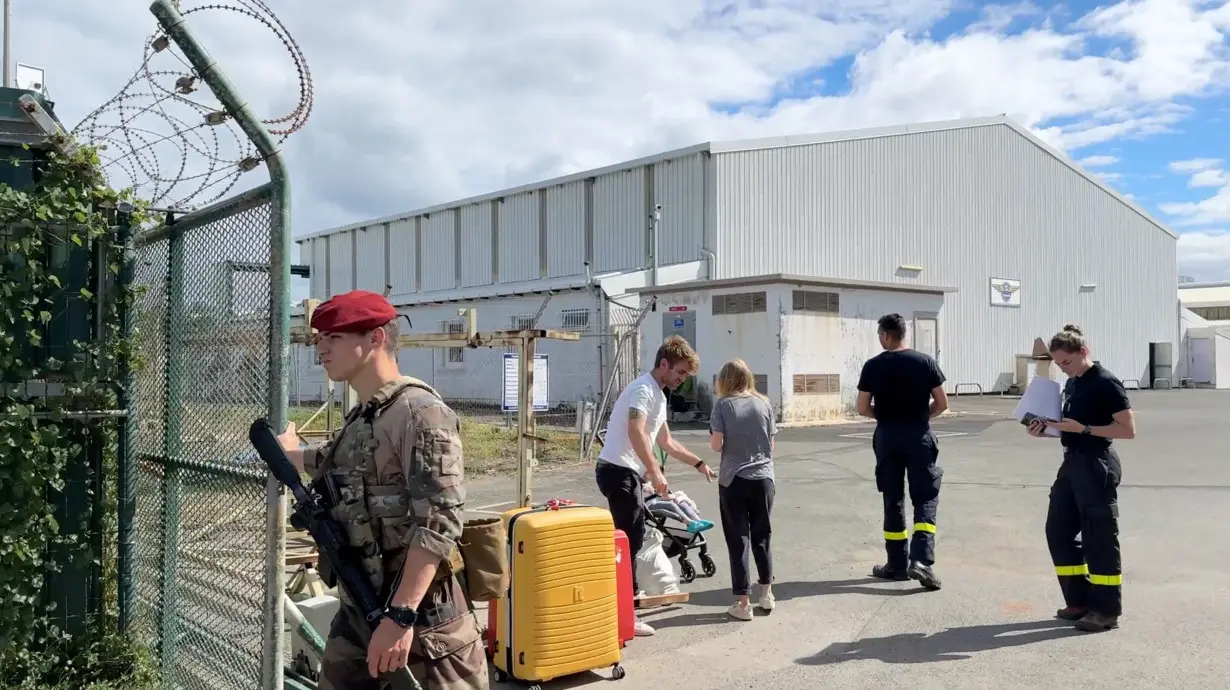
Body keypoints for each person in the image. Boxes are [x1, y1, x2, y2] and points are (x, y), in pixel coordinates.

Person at [275, 290, 489, 690]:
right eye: (318, 338)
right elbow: (339, 460)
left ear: (374, 338)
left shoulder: (420, 412)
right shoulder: (368, 412)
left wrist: (400, 616)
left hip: (424, 622)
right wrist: (292, 454)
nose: (320, 348)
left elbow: (439, 521)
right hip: (360, 610)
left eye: (333, 337)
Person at [595, 335, 715, 636]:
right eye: (680, 372)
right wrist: (654, 471)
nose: (682, 380)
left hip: (627, 474)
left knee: (631, 540)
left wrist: (698, 463)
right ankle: (626, 613)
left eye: (686, 375)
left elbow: (666, 441)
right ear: (664, 364)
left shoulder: (659, 396)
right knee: (631, 542)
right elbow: (635, 431)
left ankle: (622, 604)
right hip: (618, 472)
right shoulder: (643, 390)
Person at [1027, 325, 1135, 633]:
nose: (1063, 369)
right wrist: (1045, 430)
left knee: (1098, 538)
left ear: (1083, 352)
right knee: (1058, 530)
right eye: (1058, 364)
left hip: (1097, 464)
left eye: (1067, 362)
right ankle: (1080, 600)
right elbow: (1069, 426)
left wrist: (1084, 429)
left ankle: (1106, 610)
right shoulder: (1073, 384)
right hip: (1072, 463)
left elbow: (1127, 430)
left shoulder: (1105, 382)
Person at [856, 313, 948, 591]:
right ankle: (921, 561)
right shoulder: (925, 362)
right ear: (903, 333)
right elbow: (942, 403)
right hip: (918, 435)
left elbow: (861, 407)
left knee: (892, 498)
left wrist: (884, 419)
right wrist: (921, 418)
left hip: (887, 437)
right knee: (926, 497)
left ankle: (896, 564)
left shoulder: (873, 366)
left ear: (886, 335)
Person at [709, 358, 778, 622]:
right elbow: (771, 446)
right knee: (763, 535)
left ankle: (743, 603)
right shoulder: (764, 403)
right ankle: (767, 593)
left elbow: (716, 446)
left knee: (738, 539)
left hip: (733, 479)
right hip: (764, 478)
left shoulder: (723, 406)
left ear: (724, 380)